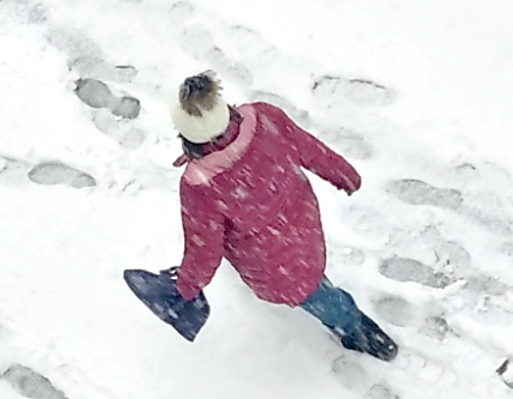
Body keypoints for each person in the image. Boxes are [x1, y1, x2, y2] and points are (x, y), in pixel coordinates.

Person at [167, 70, 397, 361]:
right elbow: (310, 149)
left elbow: (205, 251)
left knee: (314, 293)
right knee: (310, 276)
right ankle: (346, 317)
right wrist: (344, 174)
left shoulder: (200, 187)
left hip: (269, 260)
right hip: (303, 224)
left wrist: (186, 286)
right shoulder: (264, 119)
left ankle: (361, 333)